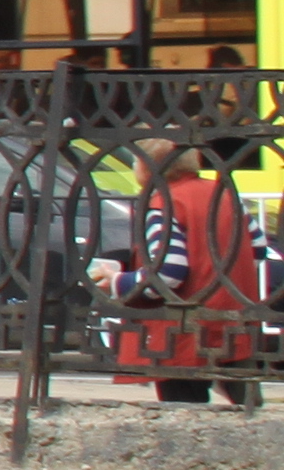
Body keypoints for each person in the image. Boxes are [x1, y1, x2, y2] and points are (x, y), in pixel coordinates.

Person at [109, 134, 262, 409]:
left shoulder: (164, 204)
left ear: (148, 167)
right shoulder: (224, 195)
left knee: (186, 410)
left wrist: (117, 281)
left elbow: (168, 274)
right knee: (248, 409)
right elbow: (258, 248)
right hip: (233, 322)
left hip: (184, 332)